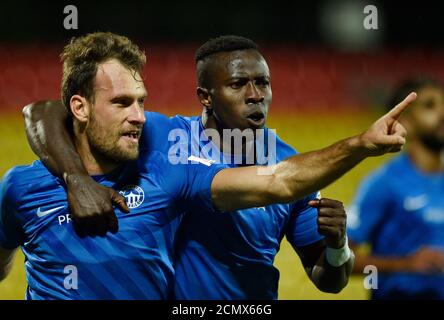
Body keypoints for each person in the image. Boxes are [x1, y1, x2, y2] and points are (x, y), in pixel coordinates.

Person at [11, 32, 413, 299]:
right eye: (239, 85)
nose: (256, 95)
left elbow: (328, 278)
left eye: (264, 83)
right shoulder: (161, 138)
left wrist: (339, 246)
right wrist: (76, 179)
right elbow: (44, 112)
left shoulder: (295, 165)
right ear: (205, 95)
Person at [347, 77, 444, 299]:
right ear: (406, 121)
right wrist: (406, 264)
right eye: (430, 106)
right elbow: (339, 261)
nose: (442, 113)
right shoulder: (384, 183)